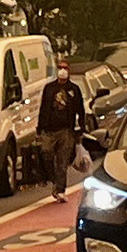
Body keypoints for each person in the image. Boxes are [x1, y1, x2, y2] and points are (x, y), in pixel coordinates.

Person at [32, 64, 87, 199]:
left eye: (65, 68)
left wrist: (81, 128)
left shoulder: (74, 89)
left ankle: (60, 189)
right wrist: (40, 128)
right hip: (49, 129)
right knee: (46, 153)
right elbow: (43, 108)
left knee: (62, 161)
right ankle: (53, 180)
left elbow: (80, 109)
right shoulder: (49, 88)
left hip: (66, 130)